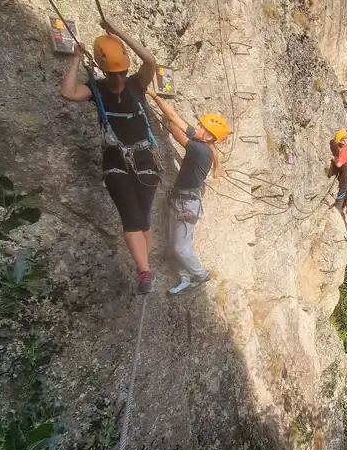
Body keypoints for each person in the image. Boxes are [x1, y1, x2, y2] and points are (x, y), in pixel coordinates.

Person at [60, 20, 160, 294]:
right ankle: (144, 272)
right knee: (130, 216)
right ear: (104, 71)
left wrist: (119, 33)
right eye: (113, 74)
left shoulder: (137, 83)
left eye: (121, 73)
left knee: (143, 218)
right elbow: (68, 92)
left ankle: (145, 267)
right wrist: (77, 60)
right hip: (115, 160)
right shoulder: (97, 88)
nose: (117, 79)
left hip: (144, 158)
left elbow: (150, 60)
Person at [146, 87, 230, 294]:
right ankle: (185, 278)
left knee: (180, 247)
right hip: (183, 201)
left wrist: (153, 96)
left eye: (202, 127)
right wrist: (167, 117)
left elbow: (176, 128)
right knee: (176, 242)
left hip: (186, 204)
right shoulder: (202, 144)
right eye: (200, 125)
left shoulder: (200, 150)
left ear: (209, 137)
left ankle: (200, 275)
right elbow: (175, 123)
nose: (198, 128)